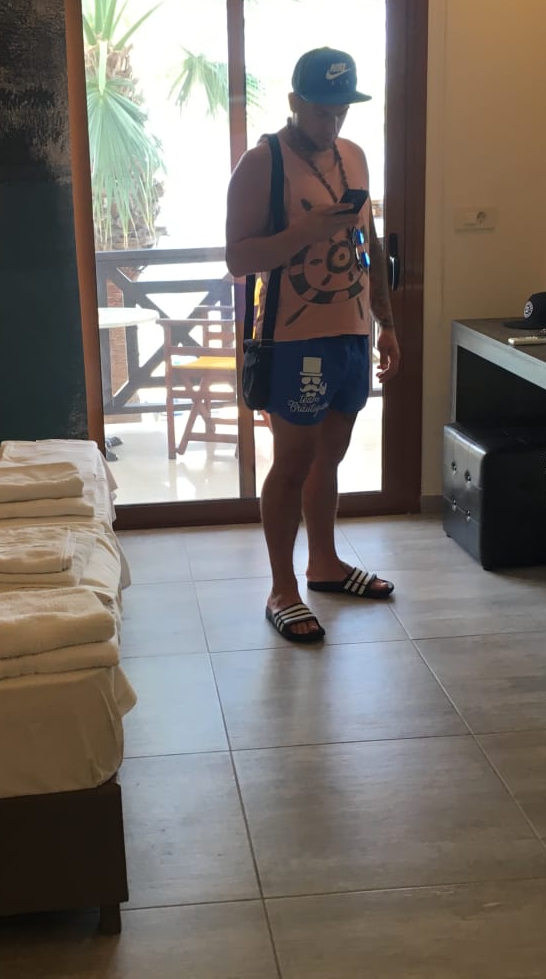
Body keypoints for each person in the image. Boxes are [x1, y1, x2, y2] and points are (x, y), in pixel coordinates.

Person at [224, 47, 400, 644]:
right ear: (295, 102)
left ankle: (324, 564)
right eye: (322, 110)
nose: (333, 120)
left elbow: (370, 246)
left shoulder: (355, 156)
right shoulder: (262, 163)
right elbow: (238, 258)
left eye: (342, 109)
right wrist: (301, 233)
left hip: (351, 333)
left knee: (332, 454)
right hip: (291, 339)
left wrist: (387, 324)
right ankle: (282, 589)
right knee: (293, 460)